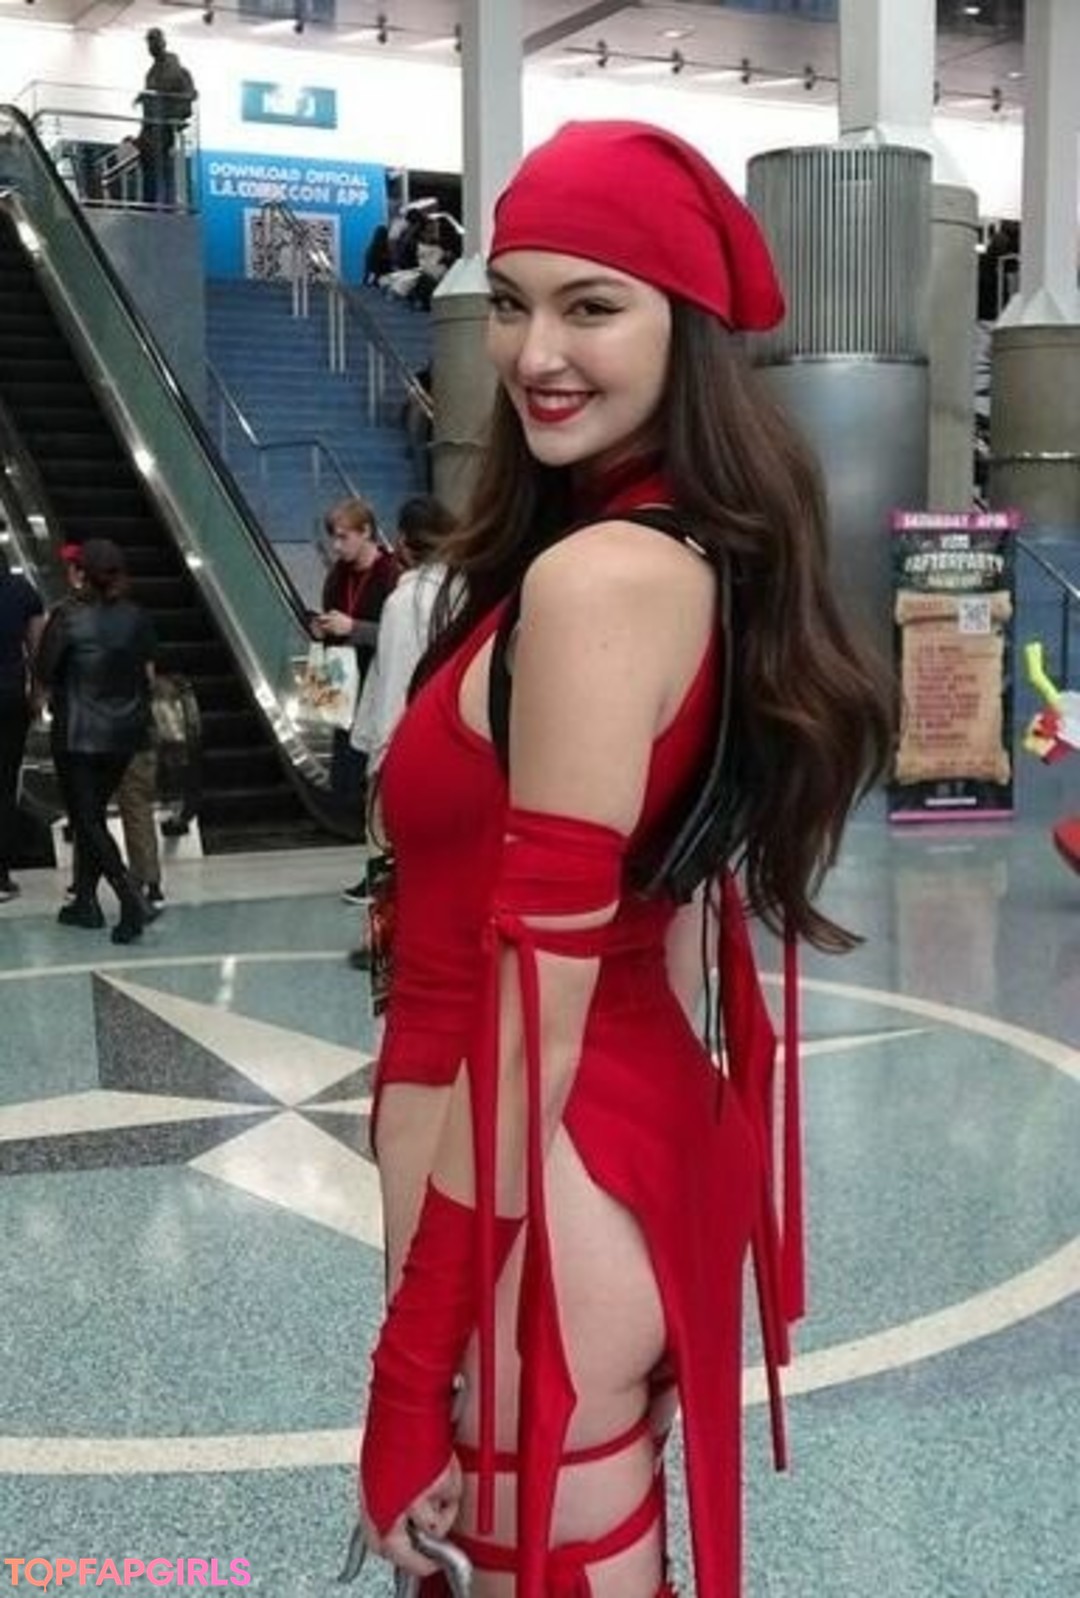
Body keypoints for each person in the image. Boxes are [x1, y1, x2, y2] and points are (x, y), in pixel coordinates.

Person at [354, 121, 893, 1598]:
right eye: (511, 301)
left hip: (539, 1179)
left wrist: (406, 1373)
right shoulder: (671, 553)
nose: (534, 351)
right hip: (602, 1152)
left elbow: (538, 1009)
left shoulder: (598, 579)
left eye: (591, 305)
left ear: (686, 332)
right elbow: (668, 920)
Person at [344, 495, 459, 961]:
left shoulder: (404, 600)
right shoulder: (468, 590)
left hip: (405, 745)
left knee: (388, 850)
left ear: (405, 542)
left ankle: (389, 942)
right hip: (456, 743)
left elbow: (394, 680)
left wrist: (379, 759)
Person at [37, 540, 158, 944]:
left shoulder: (67, 617)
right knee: (91, 816)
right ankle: (85, 902)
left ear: (82, 574)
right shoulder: (137, 616)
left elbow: (45, 669)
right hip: (125, 732)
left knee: (87, 819)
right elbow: (146, 668)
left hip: (78, 734)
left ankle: (129, 897)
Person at [311, 495, 398, 851]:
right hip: (342, 673)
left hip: (376, 676)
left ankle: (374, 823)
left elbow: (398, 633)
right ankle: (349, 819)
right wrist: (322, 628)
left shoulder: (390, 574)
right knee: (344, 752)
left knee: (368, 750)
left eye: (343, 537)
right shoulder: (338, 575)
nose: (337, 545)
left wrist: (353, 628)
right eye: (334, 537)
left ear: (366, 532)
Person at [0, 549, 45, 903]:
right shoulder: (22, 591)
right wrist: (37, 695)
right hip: (9, 699)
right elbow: (37, 650)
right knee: (4, 784)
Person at [135, 28, 197, 208]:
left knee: (164, 168)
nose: (151, 46)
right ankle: (149, 204)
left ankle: (167, 204)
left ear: (163, 42)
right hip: (151, 127)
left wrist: (173, 113)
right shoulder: (151, 73)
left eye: (154, 41)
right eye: (149, 42)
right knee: (148, 165)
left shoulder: (177, 70)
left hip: (166, 127)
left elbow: (190, 95)